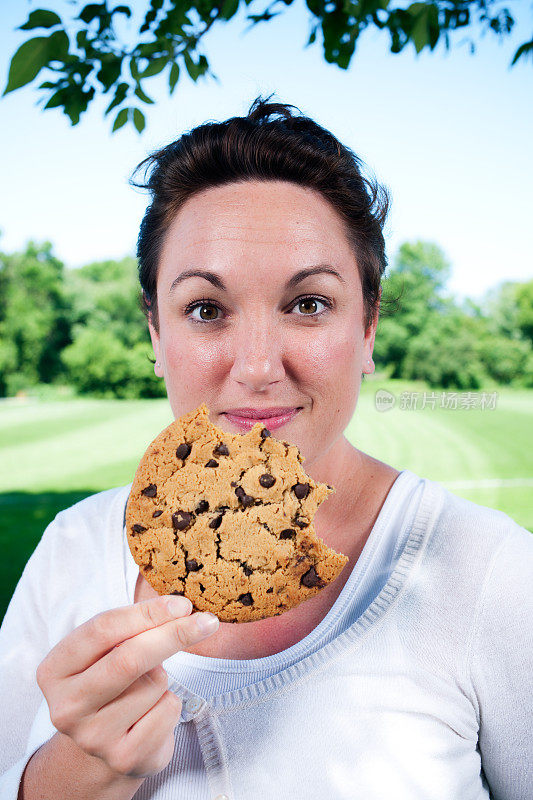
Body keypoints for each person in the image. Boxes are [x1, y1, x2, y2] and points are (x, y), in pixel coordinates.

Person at [1, 95, 532, 800]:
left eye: (307, 303)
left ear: (368, 327)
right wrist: (83, 771)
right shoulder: (71, 551)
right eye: (205, 310)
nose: (255, 366)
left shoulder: (491, 574)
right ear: (156, 335)